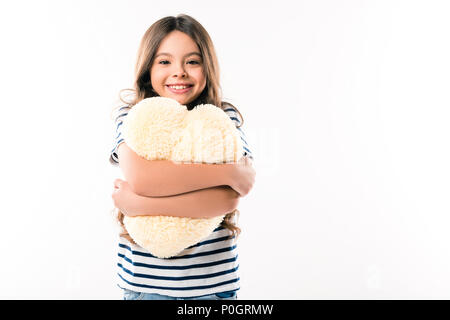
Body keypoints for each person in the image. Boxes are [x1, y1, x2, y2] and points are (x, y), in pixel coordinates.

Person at [109, 14, 256, 300]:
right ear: (147, 68)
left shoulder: (221, 118)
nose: (179, 72)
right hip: (145, 286)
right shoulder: (132, 117)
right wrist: (228, 174)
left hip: (213, 287)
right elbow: (143, 179)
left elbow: (228, 198)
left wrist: (138, 204)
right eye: (164, 62)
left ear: (207, 67)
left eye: (192, 61)